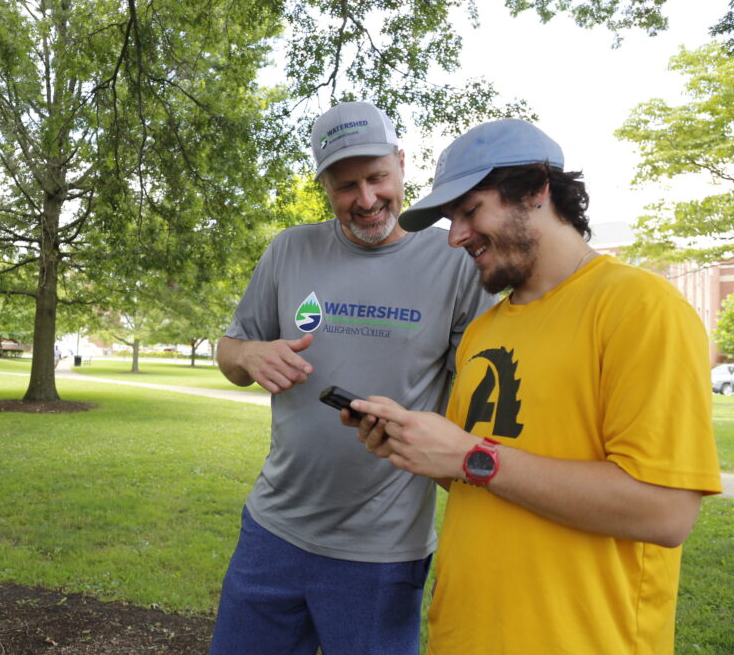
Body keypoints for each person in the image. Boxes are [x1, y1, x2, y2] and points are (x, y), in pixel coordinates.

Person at [347, 118, 723, 653]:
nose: (455, 236)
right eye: (452, 219)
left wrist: (470, 456)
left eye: (470, 211)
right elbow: (482, 478)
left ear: (536, 190)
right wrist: (418, 445)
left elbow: (664, 512)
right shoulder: (482, 331)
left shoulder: (641, 308)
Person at [209, 101, 495, 655]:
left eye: (377, 177)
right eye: (345, 186)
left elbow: (477, 401)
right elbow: (230, 350)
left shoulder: (456, 261)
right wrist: (249, 354)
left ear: (402, 163)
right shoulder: (290, 249)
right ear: (324, 186)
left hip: (382, 553)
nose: (365, 199)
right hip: (272, 532)